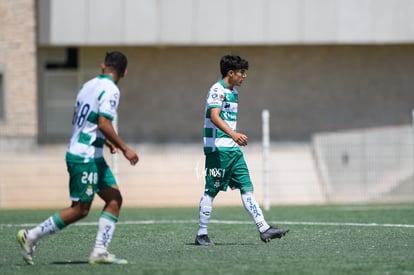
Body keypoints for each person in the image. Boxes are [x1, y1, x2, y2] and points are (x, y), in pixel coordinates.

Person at [17, 51, 139, 265]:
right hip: (85, 158)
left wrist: (106, 142)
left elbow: (86, 122)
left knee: (114, 199)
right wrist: (125, 148)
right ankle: (31, 236)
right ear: (125, 72)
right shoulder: (111, 89)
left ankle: (100, 252)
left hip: (91, 155)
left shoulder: (87, 85)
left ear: (103, 66)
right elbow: (103, 123)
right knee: (80, 209)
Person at [195, 54, 289, 246]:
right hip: (217, 150)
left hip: (233, 151)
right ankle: (201, 234)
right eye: (241, 72)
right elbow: (214, 116)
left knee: (247, 188)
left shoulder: (234, 92)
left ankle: (264, 229)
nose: (244, 76)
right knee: (211, 191)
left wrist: (233, 138)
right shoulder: (217, 90)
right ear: (231, 73)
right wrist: (233, 133)